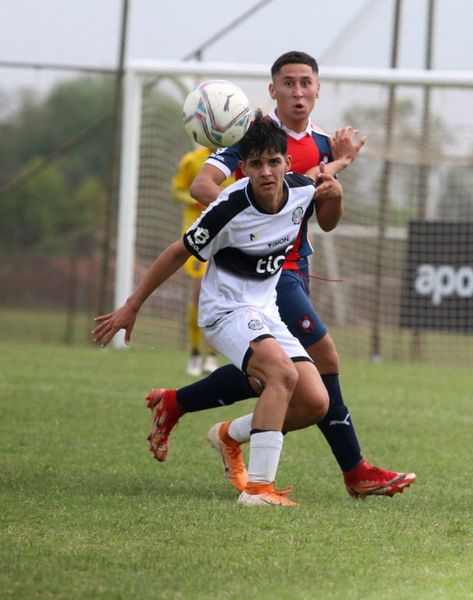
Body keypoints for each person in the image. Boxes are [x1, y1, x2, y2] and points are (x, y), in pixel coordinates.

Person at [147, 51, 416, 498]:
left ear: (317, 89)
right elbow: (202, 187)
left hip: (295, 268)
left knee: (270, 374)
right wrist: (243, 221)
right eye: (287, 83)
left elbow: (326, 220)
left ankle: (181, 405)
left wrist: (335, 182)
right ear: (272, 90)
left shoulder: (326, 144)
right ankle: (355, 471)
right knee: (323, 358)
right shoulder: (254, 137)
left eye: (305, 82)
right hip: (266, 271)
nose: (297, 91)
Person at [93, 113, 343, 506]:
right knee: (280, 374)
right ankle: (259, 490)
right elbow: (178, 251)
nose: (266, 172)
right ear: (242, 169)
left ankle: (230, 435)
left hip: (265, 309)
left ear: (287, 164)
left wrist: (338, 187)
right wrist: (132, 305)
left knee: (315, 401)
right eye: (256, 164)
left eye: (274, 162)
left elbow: (324, 192)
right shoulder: (228, 206)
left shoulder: (300, 190)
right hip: (224, 311)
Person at [171, 146, 233, 376]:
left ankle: (212, 355)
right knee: (198, 295)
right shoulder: (192, 160)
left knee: (222, 295)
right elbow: (177, 189)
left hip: (226, 236)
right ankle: (195, 353)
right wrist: (194, 198)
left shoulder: (236, 158)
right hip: (198, 235)